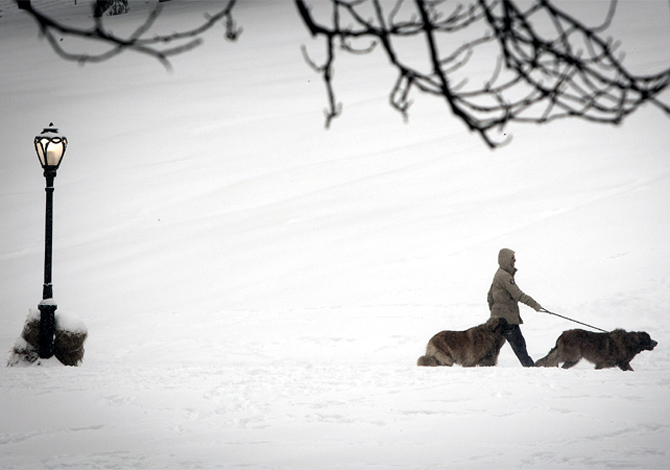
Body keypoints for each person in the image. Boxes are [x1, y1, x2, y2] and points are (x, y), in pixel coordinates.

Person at [487, 248, 542, 367]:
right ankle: (532, 370)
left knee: (491, 349)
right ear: (505, 260)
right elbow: (518, 295)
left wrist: (495, 312)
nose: (515, 260)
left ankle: (486, 371)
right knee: (520, 348)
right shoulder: (505, 276)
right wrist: (536, 306)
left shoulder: (498, 274)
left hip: (497, 320)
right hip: (507, 319)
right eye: (512, 258)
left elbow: (489, 296)